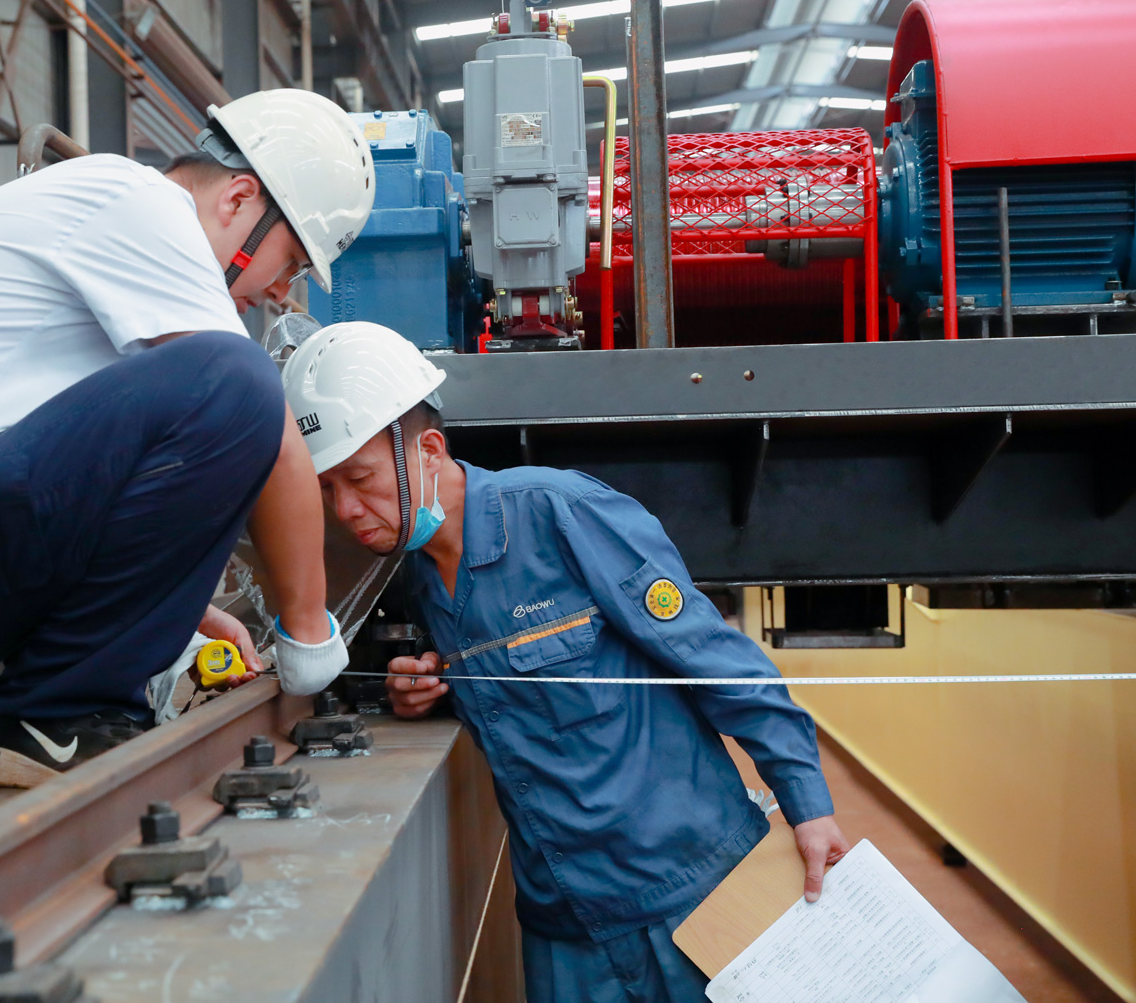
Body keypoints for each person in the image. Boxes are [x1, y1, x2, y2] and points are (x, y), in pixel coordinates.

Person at [0, 89, 373, 788]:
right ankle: (49, 713)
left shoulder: (118, 237)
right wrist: (310, 636)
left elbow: (93, 481)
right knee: (238, 379)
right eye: (293, 260)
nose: (282, 292)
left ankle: (37, 709)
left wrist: (170, 610)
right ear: (239, 198)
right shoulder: (138, 203)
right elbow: (271, 435)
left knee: (226, 380)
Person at [281, 322, 850, 1003]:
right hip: (566, 927)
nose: (345, 510)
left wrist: (808, 805)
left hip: (693, 889)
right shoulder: (423, 582)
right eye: (324, 490)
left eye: (360, 479)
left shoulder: (561, 514)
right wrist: (429, 692)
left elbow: (712, 656)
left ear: (428, 450)